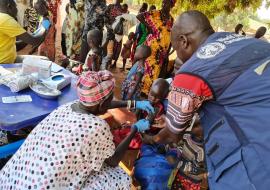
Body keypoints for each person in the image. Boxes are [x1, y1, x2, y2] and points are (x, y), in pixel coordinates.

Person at [143, 10, 270, 190]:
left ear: (183, 41)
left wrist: (152, 139)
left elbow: (173, 134)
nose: (178, 57)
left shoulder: (192, 70)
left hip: (259, 160)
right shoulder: (243, 42)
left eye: (176, 50)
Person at [0, 70, 153, 189]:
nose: (111, 101)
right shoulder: (97, 127)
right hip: (45, 185)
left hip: (15, 179)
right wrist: (134, 129)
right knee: (120, 177)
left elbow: (99, 103)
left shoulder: (69, 106)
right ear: (101, 105)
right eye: (110, 98)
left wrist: (132, 103)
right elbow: (112, 161)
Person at [137, 0, 175, 95]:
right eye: (163, 2)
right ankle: (141, 93)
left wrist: (167, 52)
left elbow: (170, 37)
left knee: (156, 72)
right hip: (151, 48)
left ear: (171, 5)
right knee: (147, 70)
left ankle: (148, 94)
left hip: (162, 52)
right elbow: (139, 16)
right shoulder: (155, 13)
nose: (163, 4)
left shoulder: (171, 20)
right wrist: (148, 27)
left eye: (166, 3)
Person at [104, 0, 125, 68]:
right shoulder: (110, 6)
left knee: (117, 47)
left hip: (118, 33)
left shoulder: (123, 9)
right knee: (109, 46)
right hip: (110, 31)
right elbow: (105, 16)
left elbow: (125, 21)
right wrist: (109, 26)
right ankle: (107, 62)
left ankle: (114, 62)